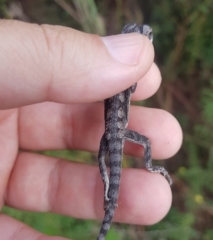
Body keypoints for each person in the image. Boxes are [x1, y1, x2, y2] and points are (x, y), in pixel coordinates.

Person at [0, 20, 182, 239]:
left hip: (111, 133)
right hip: (118, 132)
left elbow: (129, 87)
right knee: (142, 145)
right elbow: (131, 87)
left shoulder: (120, 77)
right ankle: (141, 172)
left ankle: (107, 191)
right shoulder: (125, 76)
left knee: (108, 164)